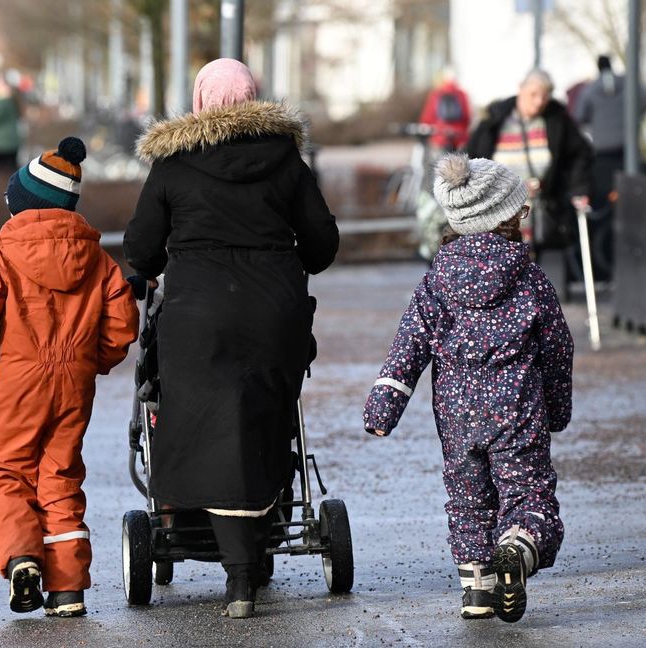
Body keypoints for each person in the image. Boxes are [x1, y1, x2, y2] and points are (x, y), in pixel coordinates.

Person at [123, 58, 339, 619]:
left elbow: (142, 250)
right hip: (274, 314)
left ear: (199, 99)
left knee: (203, 421)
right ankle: (254, 556)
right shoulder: (286, 159)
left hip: (199, 320)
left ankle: (230, 565)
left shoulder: (173, 163)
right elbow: (321, 246)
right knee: (266, 417)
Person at [364, 153, 573, 623]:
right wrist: (557, 409)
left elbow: (409, 344)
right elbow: (558, 348)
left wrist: (383, 406)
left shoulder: (437, 281)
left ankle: (477, 592)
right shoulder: (530, 278)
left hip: (457, 419)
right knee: (528, 493)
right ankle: (517, 549)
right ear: (504, 218)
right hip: (517, 410)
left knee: (467, 498)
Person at [0, 137, 139, 618]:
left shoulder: (4, 250)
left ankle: (21, 559)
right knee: (59, 474)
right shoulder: (96, 257)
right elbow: (122, 325)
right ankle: (68, 589)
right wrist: (94, 360)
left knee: (5, 469)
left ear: (23, 204)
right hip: (76, 378)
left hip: (20, 374)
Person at [466, 70, 592, 286]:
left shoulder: (556, 118)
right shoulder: (496, 118)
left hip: (542, 210)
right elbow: (472, 159)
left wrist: (578, 189)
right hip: (500, 212)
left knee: (532, 276)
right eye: (533, 94)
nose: (539, 101)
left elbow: (580, 154)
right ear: (520, 90)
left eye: (544, 96)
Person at [573, 56, 646, 280]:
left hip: (602, 157)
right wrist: (634, 115)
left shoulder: (590, 90)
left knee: (601, 205)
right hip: (629, 154)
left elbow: (579, 116)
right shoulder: (629, 83)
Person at [418, 68, 472, 152]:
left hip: (439, 136)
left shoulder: (436, 94)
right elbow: (467, 117)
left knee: (439, 163)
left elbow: (428, 117)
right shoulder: (462, 95)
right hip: (459, 136)